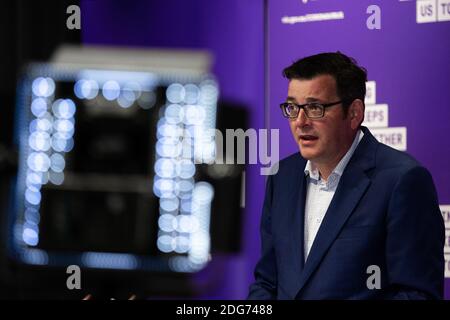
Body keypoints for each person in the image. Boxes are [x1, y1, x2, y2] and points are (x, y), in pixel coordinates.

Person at [248, 52, 445, 300]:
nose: (300, 121)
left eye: (314, 108)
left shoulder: (402, 180)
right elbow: (267, 282)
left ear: (354, 113)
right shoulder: (281, 177)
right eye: (292, 107)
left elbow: (417, 294)